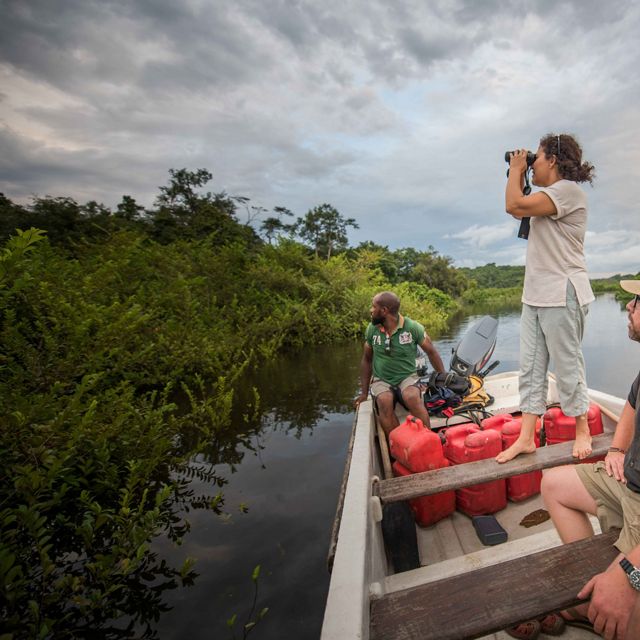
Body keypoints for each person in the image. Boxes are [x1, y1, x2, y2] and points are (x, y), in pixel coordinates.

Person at [539, 279, 640, 638]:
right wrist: (616, 449)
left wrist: (631, 574)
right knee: (553, 482)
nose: (629, 308)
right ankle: (590, 592)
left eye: (637, 301)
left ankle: (611, 602)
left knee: (620, 615)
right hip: (629, 485)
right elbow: (631, 402)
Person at [497, 133, 596, 464]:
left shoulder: (567, 191)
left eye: (535, 158)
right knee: (530, 368)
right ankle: (527, 437)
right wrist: (521, 171)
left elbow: (514, 204)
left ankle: (582, 428)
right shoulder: (547, 195)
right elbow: (518, 207)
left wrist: (515, 169)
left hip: (562, 291)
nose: (531, 164)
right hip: (536, 294)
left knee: (568, 364)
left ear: (552, 160)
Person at [354, 291, 445, 436]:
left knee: (412, 397)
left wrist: (443, 379)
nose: (371, 310)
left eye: (373, 307)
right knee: (384, 401)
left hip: (407, 377)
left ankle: (429, 439)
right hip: (381, 379)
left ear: (384, 311)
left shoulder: (412, 328)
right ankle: (399, 445)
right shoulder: (372, 329)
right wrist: (364, 393)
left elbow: (432, 352)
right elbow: (366, 359)